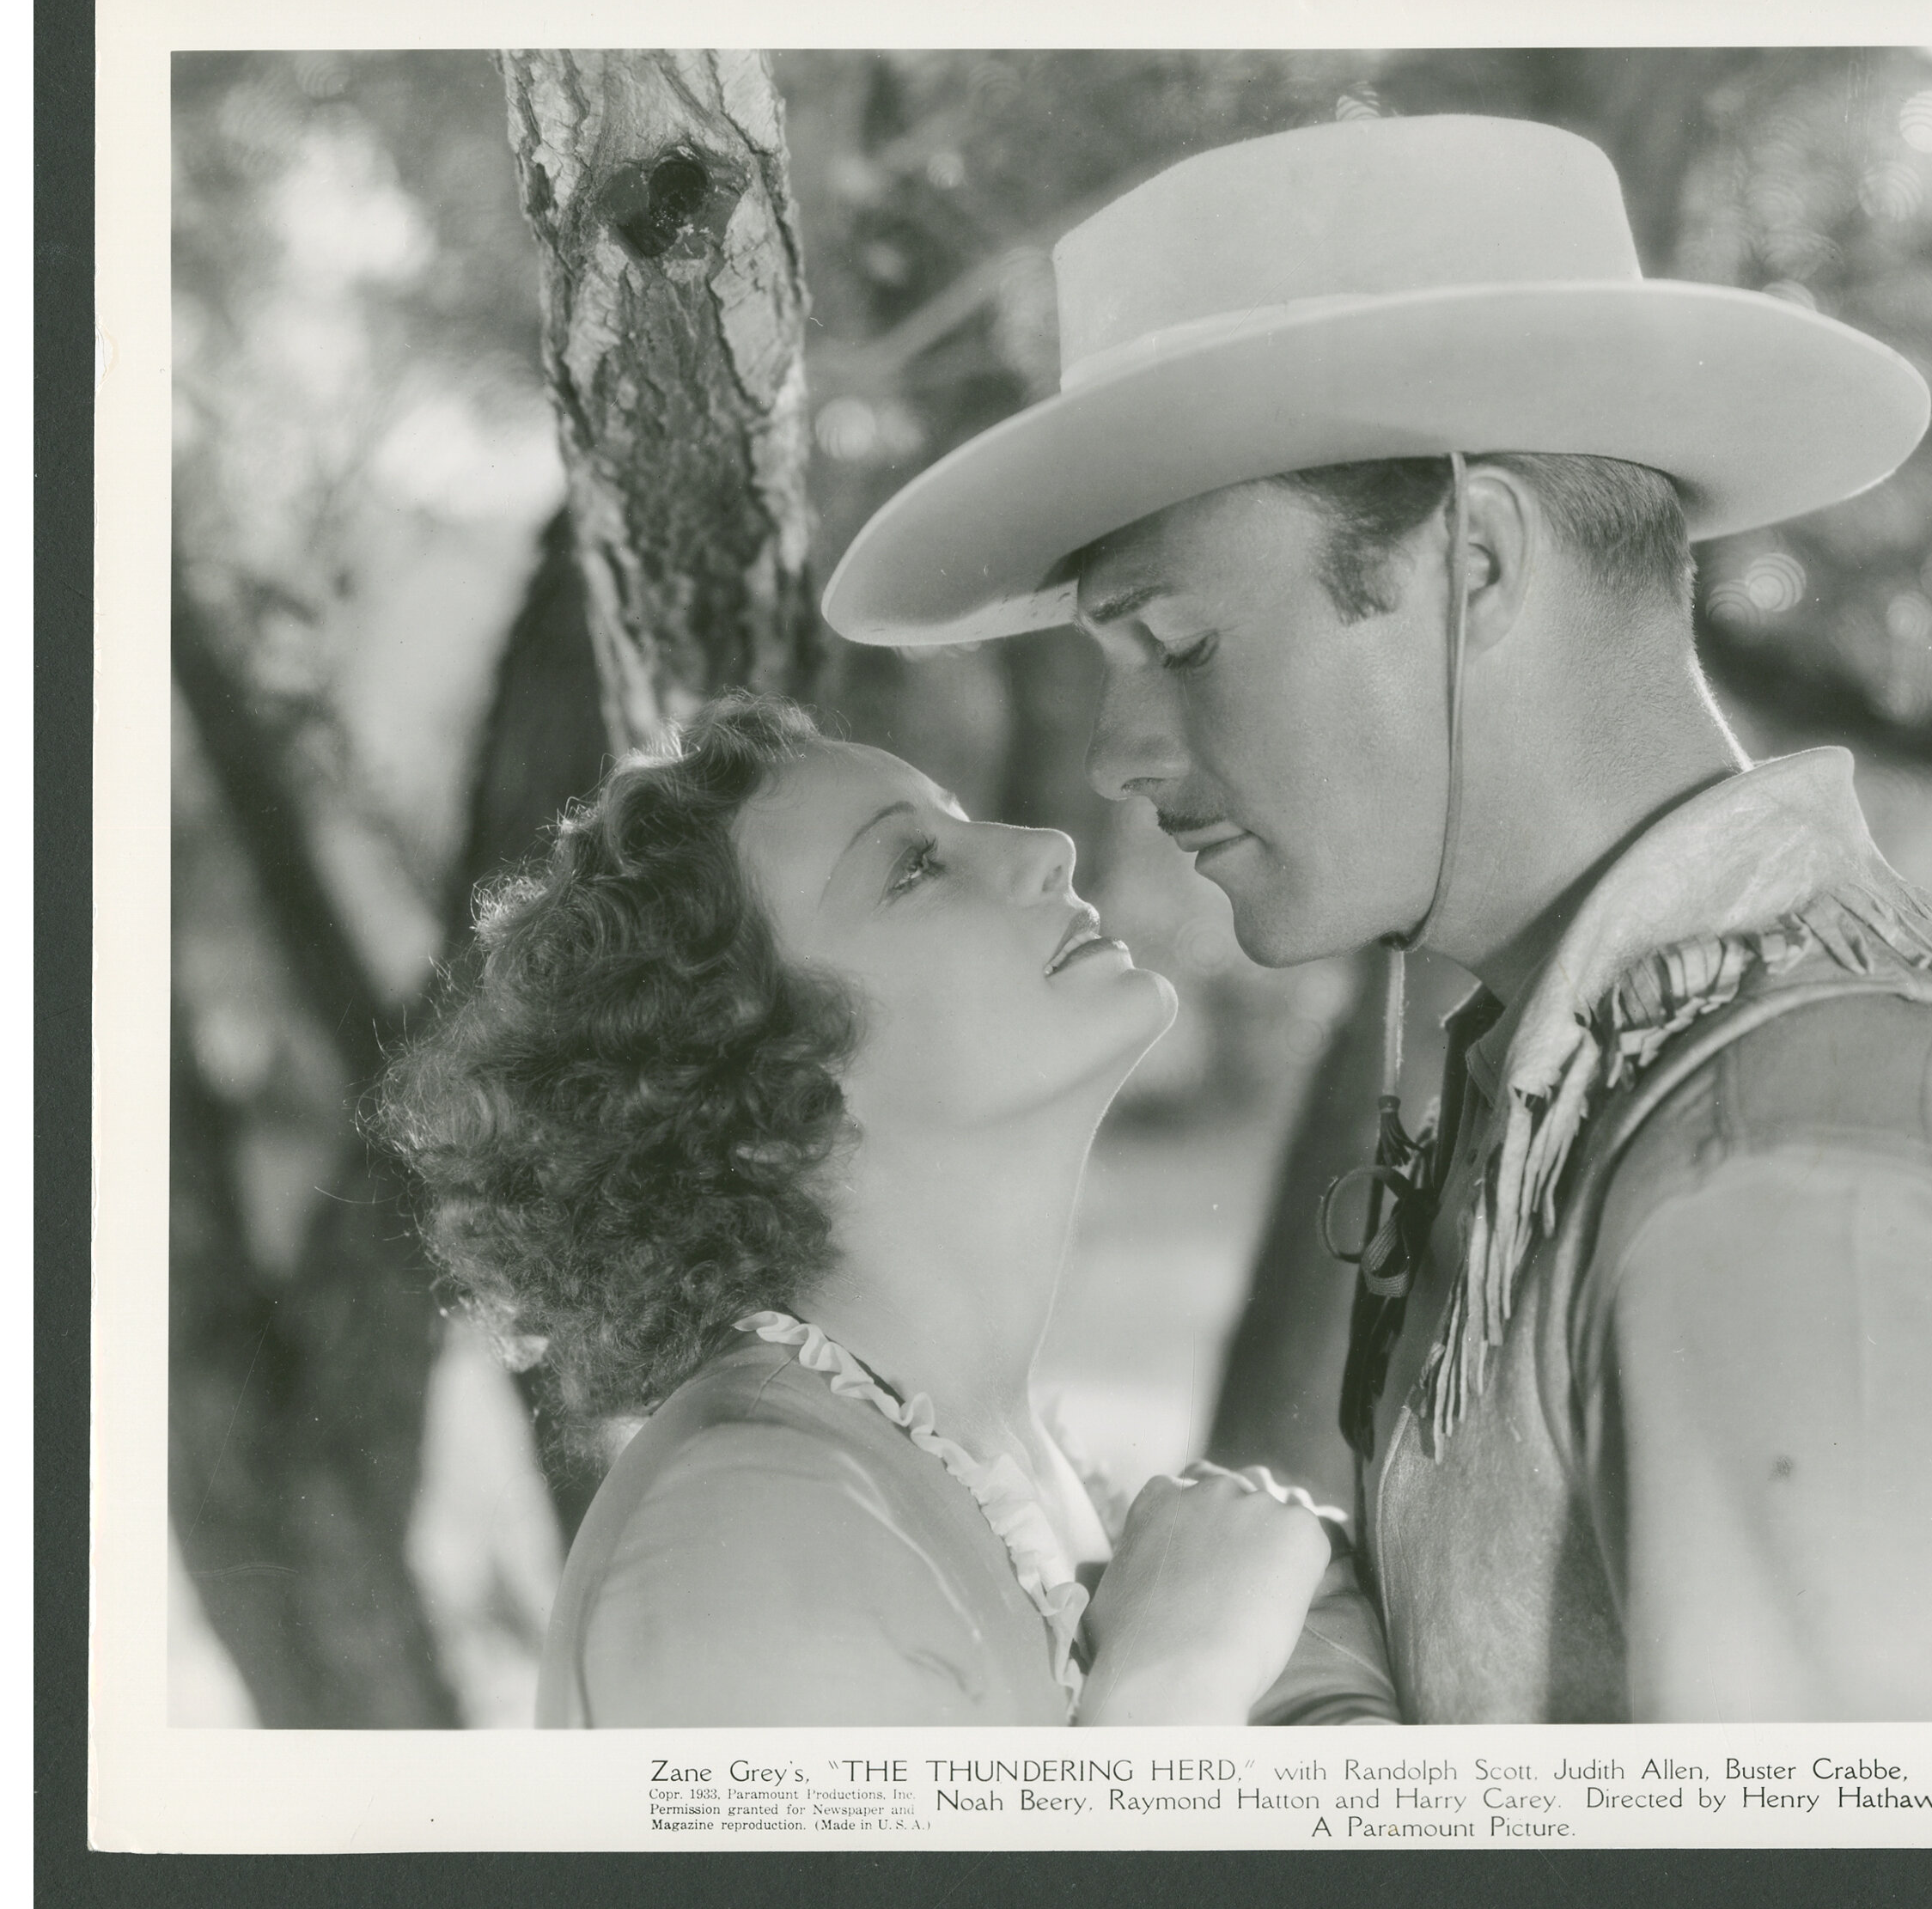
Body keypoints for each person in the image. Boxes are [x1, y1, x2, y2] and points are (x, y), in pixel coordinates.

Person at [821, 113, 1932, 1721]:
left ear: (1473, 556)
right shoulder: (1596, 1070)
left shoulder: (1793, 1205)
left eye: (1179, 643)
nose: (1117, 756)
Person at [375, 692, 1391, 1727]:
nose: (1044, 846)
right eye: (913, 866)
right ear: (766, 1100)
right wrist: (1180, 1676)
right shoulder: (743, 1532)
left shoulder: (1011, 1477)